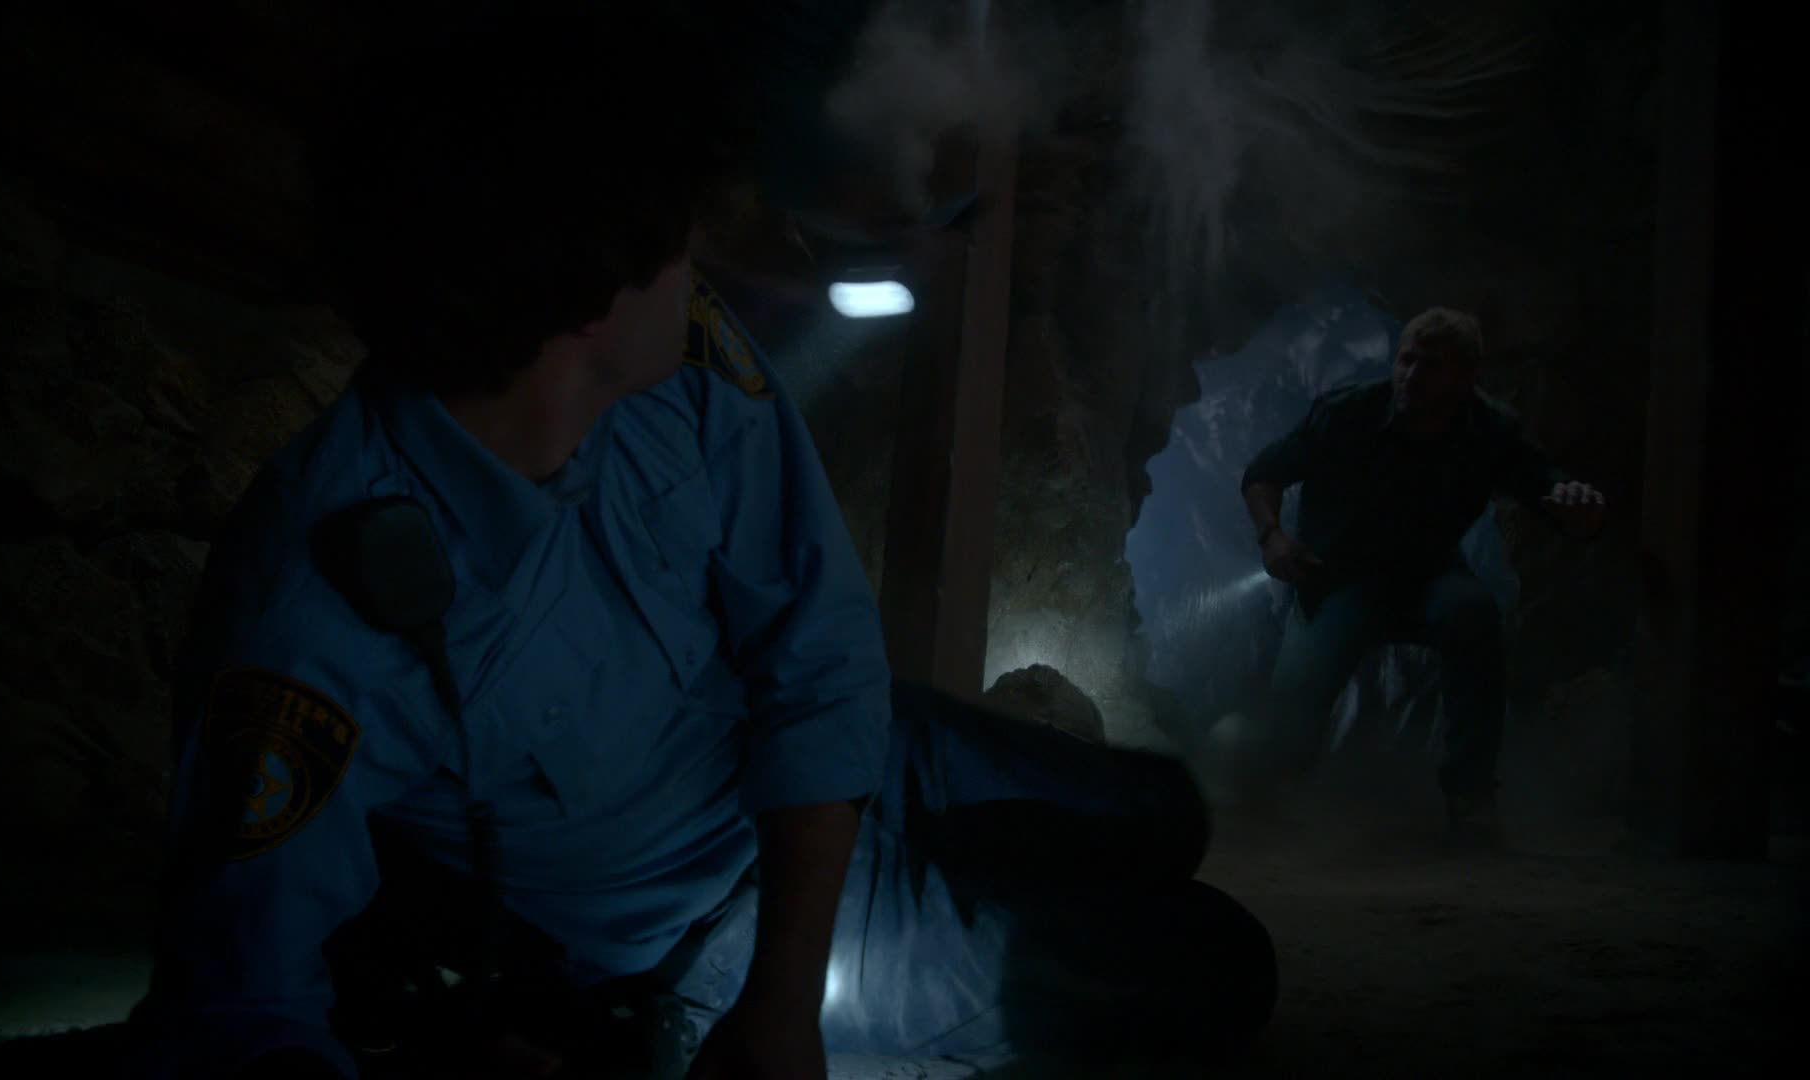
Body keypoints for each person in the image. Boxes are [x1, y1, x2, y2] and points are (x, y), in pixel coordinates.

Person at [126, 7, 1276, 1078]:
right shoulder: (319, 605)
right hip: (708, 913)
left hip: (867, 756)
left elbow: (820, 651)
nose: (700, 273)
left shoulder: (682, 372)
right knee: (1213, 963)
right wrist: (777, 1006)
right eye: (679, 244)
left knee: (1165, 812)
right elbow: (239, 997)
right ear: (592, 308)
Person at [1238, 308, 1606, 825]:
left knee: (1473, 615)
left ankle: (1471, 797)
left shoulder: (1489, 429)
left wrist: (1576, 507)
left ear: (1466, 377)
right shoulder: (1347, 413)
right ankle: (1275, 799)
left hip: (1430, 576)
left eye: (1431, 365)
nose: (1412, 375)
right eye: (1406, 360)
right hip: (1338, 577)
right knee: (1299, 699)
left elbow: (1545, 485)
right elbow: (1263, 474)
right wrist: (1272, 537)